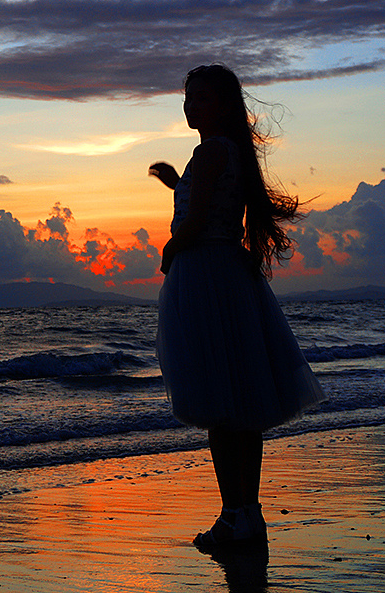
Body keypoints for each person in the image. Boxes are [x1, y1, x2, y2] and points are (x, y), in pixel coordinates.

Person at [150, 64, 324, 552]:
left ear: (223, 104)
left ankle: (233, 516)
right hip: (229, 271)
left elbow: (197, 219)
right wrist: (174, 183)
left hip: (204, 272)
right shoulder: (229, 154)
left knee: (219, 405)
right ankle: (248, 513)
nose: (190, 106)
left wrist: (169, 251)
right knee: (239, 405)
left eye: (201, 98)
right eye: (187, 98)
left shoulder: (208, 152)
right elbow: (212, 201)